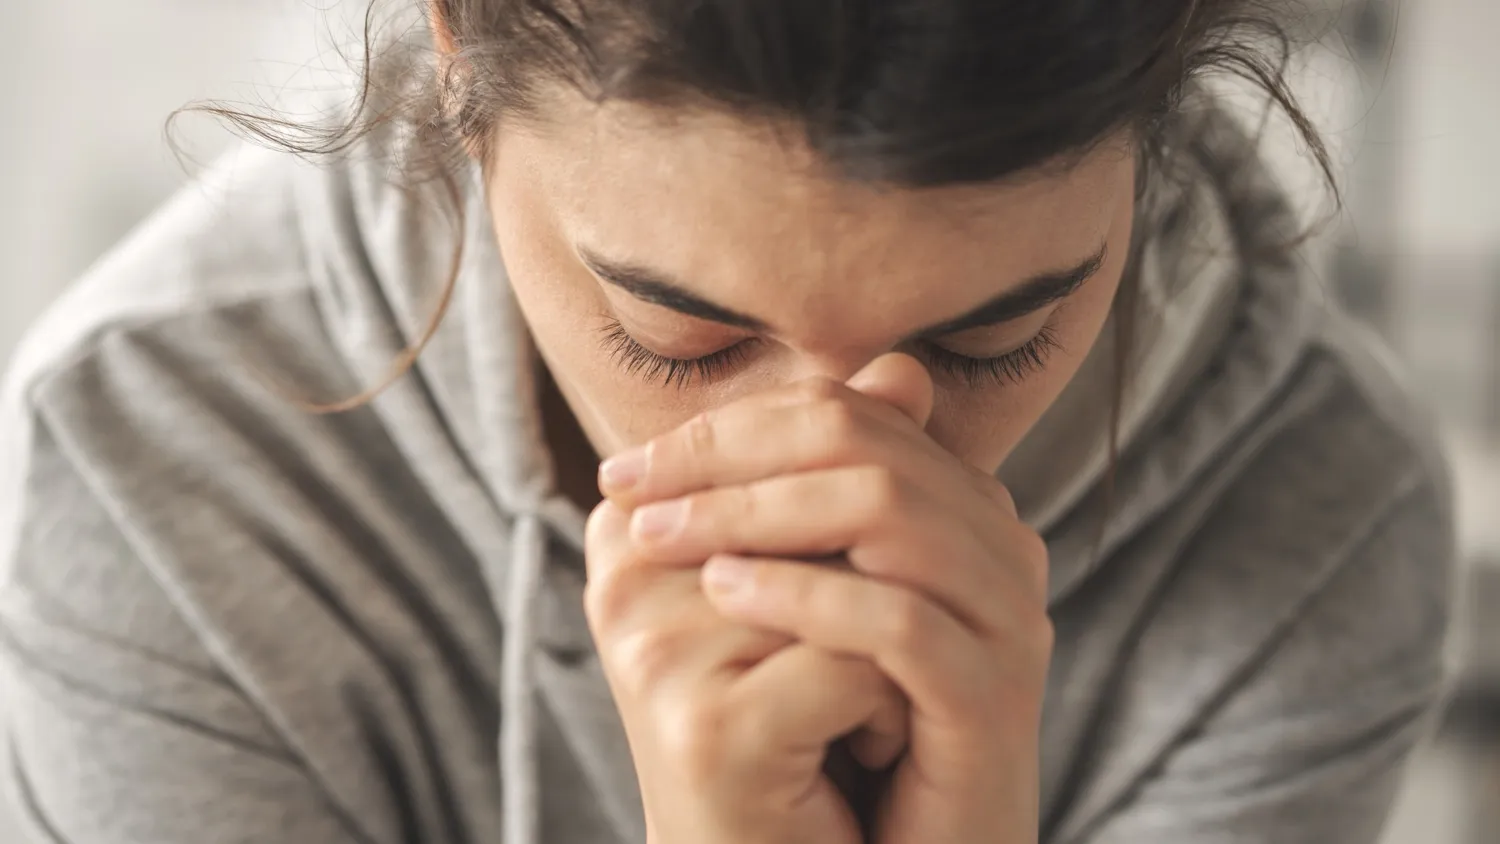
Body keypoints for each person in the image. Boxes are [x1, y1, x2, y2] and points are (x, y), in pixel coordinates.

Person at [0, 1, 1454, 842]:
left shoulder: (1313, 511)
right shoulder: (153, 461)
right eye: (676, 337)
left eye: (995, 338)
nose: (835, 470)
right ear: (455, 44)